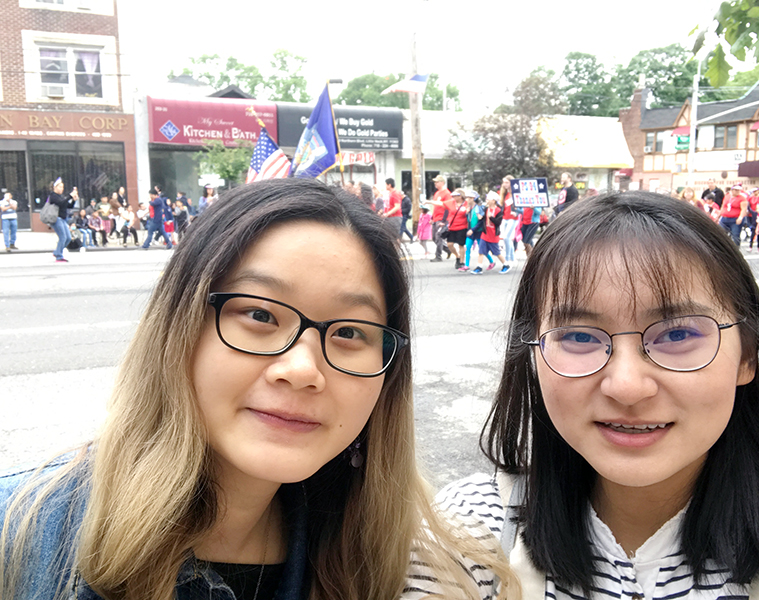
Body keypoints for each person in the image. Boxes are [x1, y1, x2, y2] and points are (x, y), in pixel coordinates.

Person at [0, 179, 516, 600]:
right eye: (260, 314)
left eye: (350, 332)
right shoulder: (18, 534)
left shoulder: (394, 567)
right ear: (178, 327)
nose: (301, 369)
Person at [440, 191, 759, 599]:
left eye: (677, 334)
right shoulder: (472, 528)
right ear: (533, 355)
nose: (627, 386)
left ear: (747, 357)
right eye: (577, 336)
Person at [470, 191, 509, 274]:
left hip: (493, 235)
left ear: (494, 200)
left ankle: (506, 264)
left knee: (497, 252)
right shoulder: (486, 209)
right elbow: (482, 220)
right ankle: (479, 267)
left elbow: (498, 222)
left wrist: (491, 217)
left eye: (488, 199)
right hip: (485, 234)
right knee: (481, 251)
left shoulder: (499, 211)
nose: (487, 200)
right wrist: (474, 228)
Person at [46, 178, 78, 263]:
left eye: (62, 187)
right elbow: (61, 203)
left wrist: (73, 200)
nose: (62, 189)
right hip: (56, 219)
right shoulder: (53, 196)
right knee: (62, 237)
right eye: (60, 187)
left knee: (68, 238)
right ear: (55, 187)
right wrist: (70, 196)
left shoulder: (60, 197)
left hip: (63, 219)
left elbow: (68, 205)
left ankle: (57, 252)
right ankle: (59, 256)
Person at [445, 189, 469, 270]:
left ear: (461, 196)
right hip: (452, 227)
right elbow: (441, 204)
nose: (454, 197)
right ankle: (457, 256)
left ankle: (462, 261)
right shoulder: (452, 203)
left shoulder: (466, 204)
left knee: (461, 245)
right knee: (449, 244)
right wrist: (428, 202)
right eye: (453, 195)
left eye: (456, 195)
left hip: (462, 227)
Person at [429, 175, 452, 262]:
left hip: (441, 218)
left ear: (442, 183)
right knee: (434, 238)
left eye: (437, 182)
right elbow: (435, 207)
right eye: (435, 182)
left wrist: (444, 221)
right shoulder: (437, 193)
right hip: (435, 218)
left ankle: (438, 256)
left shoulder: (447, 193)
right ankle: (447, 249)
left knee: (439, 237)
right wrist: (432, 217)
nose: (435, 184)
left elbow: (447, 207)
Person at [499, 176, 518, 264]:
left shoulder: (516, 193)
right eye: (504, 182)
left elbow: (520, 207)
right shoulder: (505, 194)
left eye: (506, 182)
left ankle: (508, 257)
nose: (504, 184)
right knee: (506, 238)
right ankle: (512, 258)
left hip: (512, 218)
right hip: (505, 217)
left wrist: (516, 212)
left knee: (507, 237)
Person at [382, 178, 403, 242]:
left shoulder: (395, 193)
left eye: (386, 184)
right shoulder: (390, 193)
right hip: (389, 217)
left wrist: (387, 214)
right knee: (390, 236)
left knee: (394, 236)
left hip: (395, 217)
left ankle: (396, 250)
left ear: (389, 185)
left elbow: (397, 207)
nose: (385, 186)